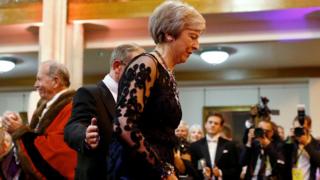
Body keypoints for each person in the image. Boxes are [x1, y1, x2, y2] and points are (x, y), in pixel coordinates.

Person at [108, 1, 206, 179]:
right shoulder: (146, 64)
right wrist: (162, 169)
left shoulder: (167, 73)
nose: (197, 45)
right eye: (193, 36)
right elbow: (124, 125)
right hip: (137, 172)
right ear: (169, 34)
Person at [64, 43, 145, 180]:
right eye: (137, 70)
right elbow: (72, 127)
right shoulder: (90, 93)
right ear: (117, 66)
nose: (141, 77)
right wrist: (86, 135)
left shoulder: (135, 99)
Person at [1, 60, 77, 179]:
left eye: (39, 79)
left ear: (55, 81)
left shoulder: (72, 107)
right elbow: (36, 137)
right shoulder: (45, 106)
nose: (35, 84)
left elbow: (57, 151)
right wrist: (19, 126)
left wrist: (20, 131)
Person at [189, 113, 241, 180]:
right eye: (210, 122)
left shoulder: (229, 145)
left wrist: (220, 172)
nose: (212, 125)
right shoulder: (195, 146)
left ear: (221, 127)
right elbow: (195, 168)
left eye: (216, 123)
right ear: (205, 125)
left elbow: (236, 169)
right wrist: (204, 173)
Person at [284, 115, 320, 180]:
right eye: (296, 128)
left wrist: (306, 143)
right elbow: (283, 160)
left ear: (309, 127)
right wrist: (288, 140)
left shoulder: (316, 144)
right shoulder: (292, 142)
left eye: (302, 128)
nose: (299, 131)